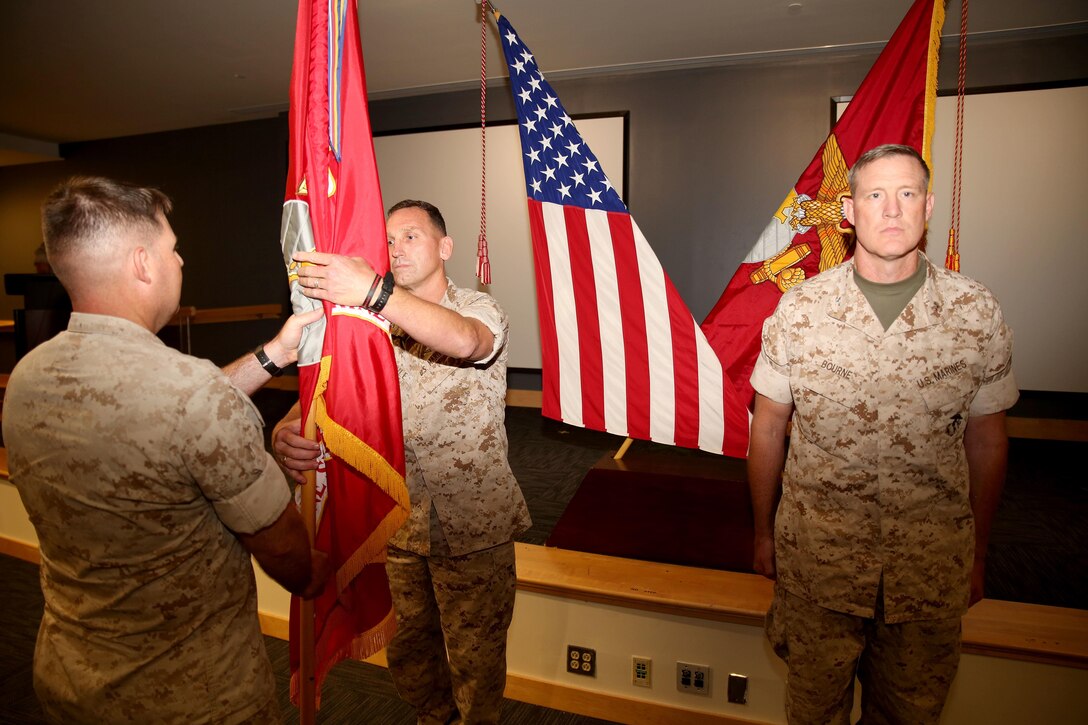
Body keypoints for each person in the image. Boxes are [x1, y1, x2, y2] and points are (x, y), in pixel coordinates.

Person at [3, 176, 328, 724]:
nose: (179, 263)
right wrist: (335, 574)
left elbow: (164, 411)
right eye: (172, 250)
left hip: (70, 679)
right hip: (194, 697)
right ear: (142, 264)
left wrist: (274, 353)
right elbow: (290, 559)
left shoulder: (27, 377)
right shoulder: (191, 394)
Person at [748, 144, 1018, 724]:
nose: (891, 210)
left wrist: (977, 552)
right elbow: (768, 427)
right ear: (848, 211)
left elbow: (987, 438)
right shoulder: (800, 310)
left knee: (909, 716)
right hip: (819, 565)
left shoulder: (974, 311)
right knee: (813, 713)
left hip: (928, 568)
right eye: (875, 195)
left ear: (928, 207)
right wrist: (763, 534)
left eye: (906, 194)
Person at [274, 199, 531, 724]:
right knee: (412, 663)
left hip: (474, 525)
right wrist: (285, 428)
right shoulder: (371, 329)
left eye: (411, 236)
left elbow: (464, 341)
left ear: (445, 247)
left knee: (477, 670)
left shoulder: (478, 309)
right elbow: (323, 390)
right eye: (388, 241)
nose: (396, 249)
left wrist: (373, 291)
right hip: (399, 523)